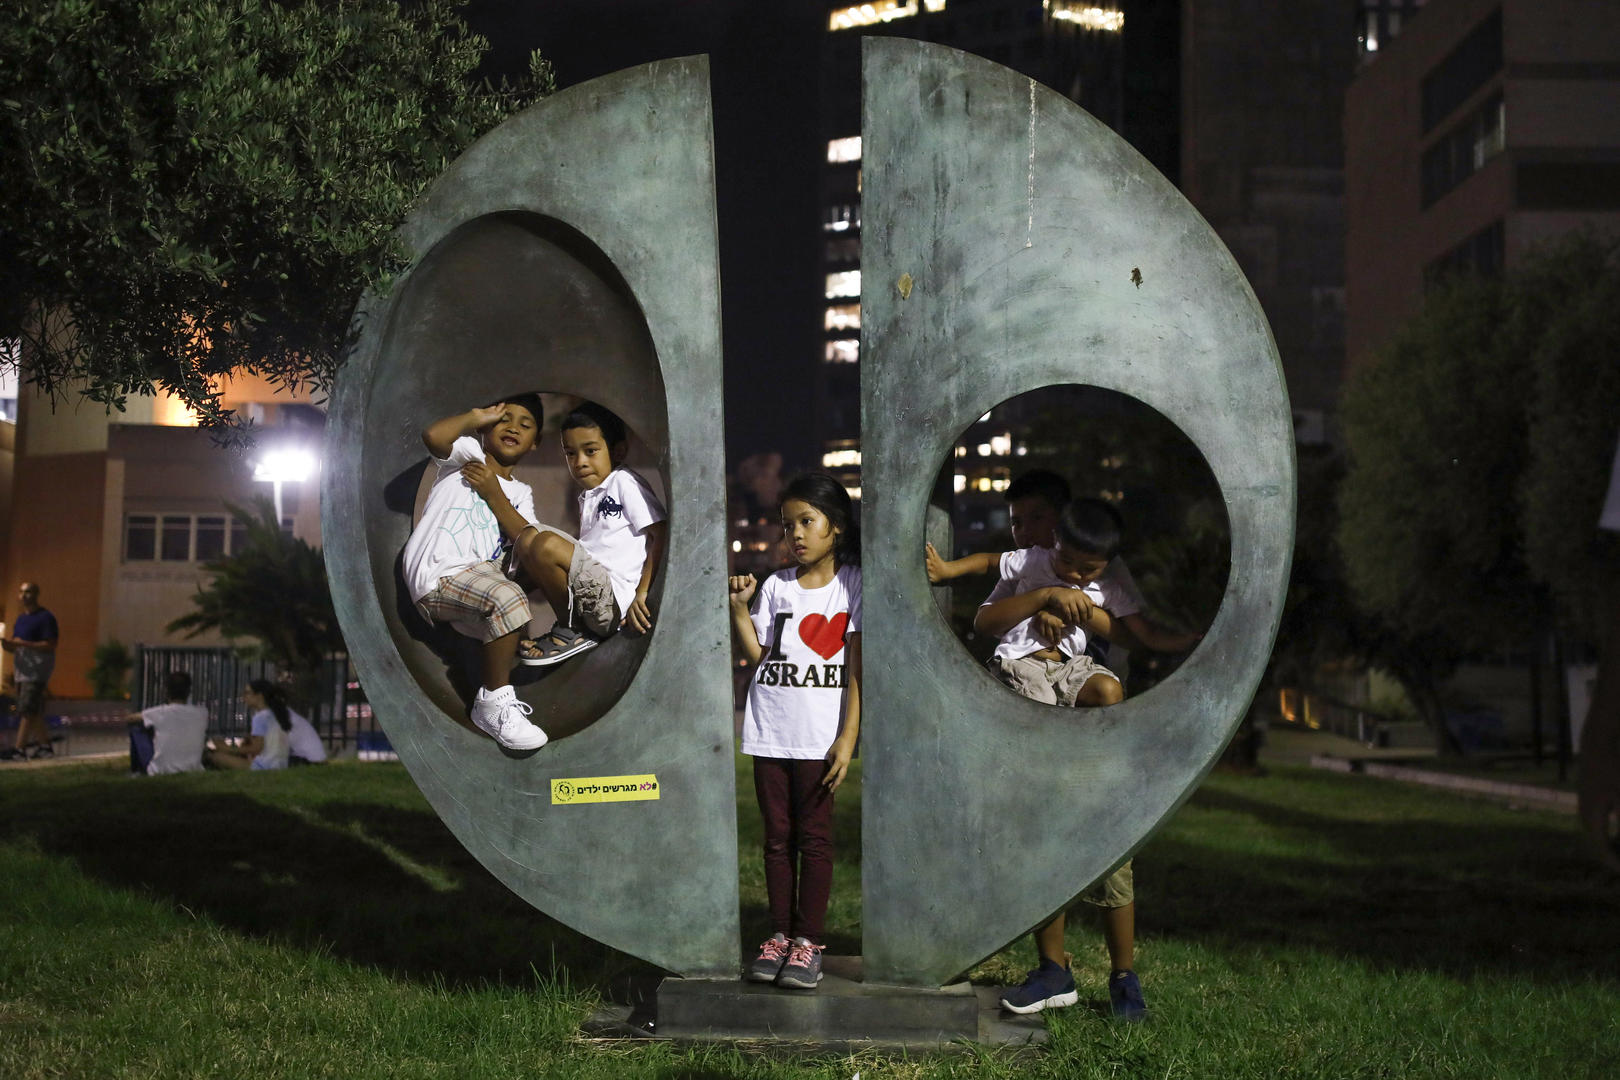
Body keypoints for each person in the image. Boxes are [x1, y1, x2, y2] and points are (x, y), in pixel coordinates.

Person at [953, 491, 1199, 1022]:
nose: (1026, 532)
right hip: (1036, 713)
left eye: (1034, 518)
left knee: (1113, 857)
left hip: (1090, 740)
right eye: (1017, 522)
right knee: (1045, 841)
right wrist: (1044, 598)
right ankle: (1052, 970)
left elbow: (1137, 635)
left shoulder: (1104, 584)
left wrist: (1081, 609)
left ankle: (1124, 977)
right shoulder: (1031, 569)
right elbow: (987, 618)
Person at [729, 472, 862, 991]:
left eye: (808, 522)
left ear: (838, 528)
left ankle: (808, 944)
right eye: (788, 526)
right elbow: (760, 656)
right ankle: (778, 937)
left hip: (818, 738)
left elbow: (856, 670)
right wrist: (740, 611)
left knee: (816, 840)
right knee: (776, 842)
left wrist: (848, 738)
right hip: (770, 730)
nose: (796, 535)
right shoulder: (778, 586)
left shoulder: (852, 585)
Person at [401, 396, 551, 751]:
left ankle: (524, 641)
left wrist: (492, 492)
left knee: (538, 559)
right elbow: (433, 436)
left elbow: (526, 538)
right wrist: (474, 416)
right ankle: (492, 703)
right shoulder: (466, 455)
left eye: (525, 424)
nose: (513, 427)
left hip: (479, 582)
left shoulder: (522, 493)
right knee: (508, 597)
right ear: (485, 427)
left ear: (536, 442)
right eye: (504, 418)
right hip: (439, 573)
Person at [478, 402, 667, 667]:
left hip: (612, 601)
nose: (579, 462)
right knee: (526, 547)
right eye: (570, 453)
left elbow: (660, 533)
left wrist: (643, 593)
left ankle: (572, 630)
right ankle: (532, 627)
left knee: (541, 542)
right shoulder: (590, 496)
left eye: (590, 451)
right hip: (591, 595)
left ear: (618, 450)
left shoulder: (624, 481)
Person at [206, 679, 327, 770]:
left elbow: (257, 748)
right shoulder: (278, 713)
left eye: (247, 693)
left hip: (302, 762)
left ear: (259, 696)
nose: (243, 697)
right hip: (304, 760)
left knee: (216, 757)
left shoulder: (262, 717)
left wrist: (227, 748)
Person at [1, 582, 60, 760]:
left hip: (36, 671)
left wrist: (22, 643)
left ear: (36, 594)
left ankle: (19, 749)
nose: (24, 595)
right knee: (33, 712)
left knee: (26, 709)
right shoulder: (20, 619)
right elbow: (17, 646)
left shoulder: (46, 617)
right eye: (21, 592)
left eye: (28, 592)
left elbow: (50, 645)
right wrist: (8, 646)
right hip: (22, 671)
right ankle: (45, 748)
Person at [126, 671, 208, 776]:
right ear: (188, 692)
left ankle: (136, 771)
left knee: (137, 729)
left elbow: (130, 719)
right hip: (193, 768)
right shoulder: (202, 713)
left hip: (161, 770)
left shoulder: (161, 712)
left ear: (167, 692)